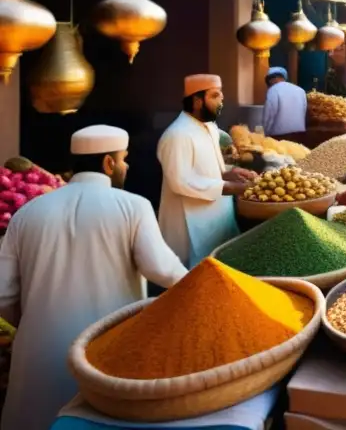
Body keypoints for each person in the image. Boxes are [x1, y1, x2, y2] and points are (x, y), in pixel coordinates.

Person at [0, 126, 187, 430]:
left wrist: (35, 325)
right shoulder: (133, 206)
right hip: (104, 353)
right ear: (108, 163)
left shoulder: (27, 213)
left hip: (37, 359)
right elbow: (163, 270)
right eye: (123, 159)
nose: (126, 166)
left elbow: (3, 295)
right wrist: (204, 284)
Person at [157, 75, 256, 268]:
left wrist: (230, 173)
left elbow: (208, 167)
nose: (222, 101)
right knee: (194, 279)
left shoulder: (209, 127)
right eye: (215, 96)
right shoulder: (177, 135)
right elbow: (180, 181)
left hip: (218, 216)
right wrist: (229, 187)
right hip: (191, 223)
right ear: (197, 101)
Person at [262, 66, 307, 136]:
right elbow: (303, 112)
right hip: (300, 134)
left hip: (279, 136)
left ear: (270, 80)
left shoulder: (273, 90)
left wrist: (266, 133)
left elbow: (268, 116)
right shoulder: (301, 91)